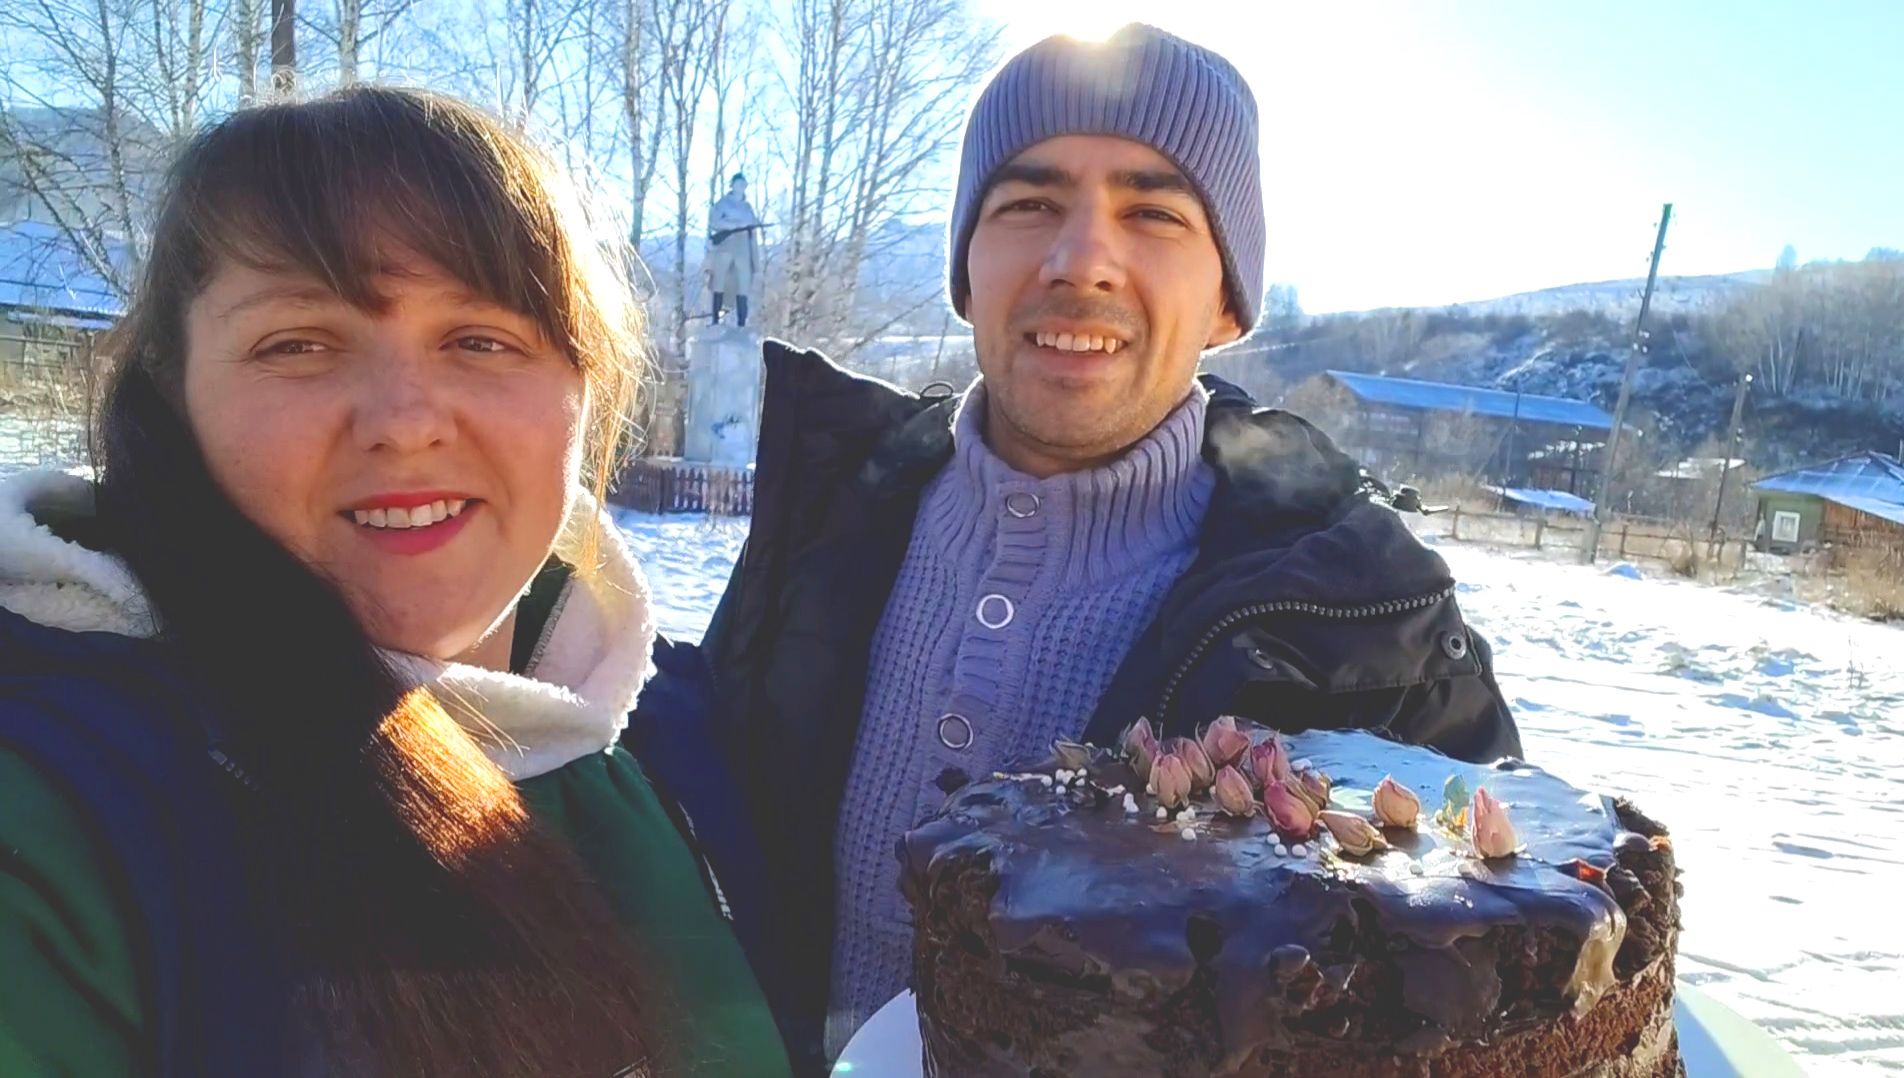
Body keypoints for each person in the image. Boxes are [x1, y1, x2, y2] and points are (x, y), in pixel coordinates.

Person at [696, 23, 1523, 1070]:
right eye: (1029, 203)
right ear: (965, 269)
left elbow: (1489, 992)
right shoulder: (824, 514)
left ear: (1228, 299)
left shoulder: (1370, 624)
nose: (1080, 257)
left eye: (1154, 213)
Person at [0, 87, 788, 1076]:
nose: (406, 418)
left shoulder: (673, 739)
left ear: (587, 391)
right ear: (174, 396)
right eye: (300, 343)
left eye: (481, 340)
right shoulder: (61, 830)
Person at [705, 173, 760, 327]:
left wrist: (755, 260)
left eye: (743, 184)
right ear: (732, 185)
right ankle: (715, 319)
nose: (741, 187)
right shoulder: (723, 204)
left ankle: (741, 322)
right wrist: (733, 225)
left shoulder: (747, 208)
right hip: (726, 245)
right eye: (738, 183)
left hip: (743, 246)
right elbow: (714, 222)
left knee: (743, 282)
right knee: (719, 280)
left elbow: (752, 230)